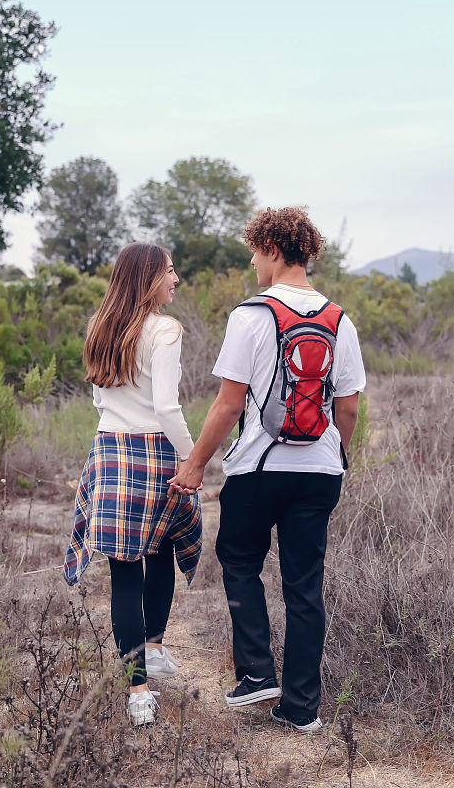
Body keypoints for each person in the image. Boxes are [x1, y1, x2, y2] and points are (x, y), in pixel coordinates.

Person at [169, 207, 366, 733]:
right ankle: (302, 709)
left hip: (258, 470)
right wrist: (335, 456)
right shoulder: (339, 319)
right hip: (320, 472)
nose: (254, 263)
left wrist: (194, 466)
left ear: (274, 250)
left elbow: (228, 405)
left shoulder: (251, 315)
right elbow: (347, 407)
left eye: (255, 253)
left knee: (238, 559)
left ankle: (257, 674)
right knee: (305, 586)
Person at [63, 242, 203, 727]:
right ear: (148, 278)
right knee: (161, 548)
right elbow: (167, 407)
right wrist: (192, 456)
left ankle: (138, 688)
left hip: (109, 451)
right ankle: (154, 652)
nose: (176, 278)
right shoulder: (165, 330)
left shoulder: (102, 326)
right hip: (155, 450)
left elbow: (101, 402)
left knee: (125, 571)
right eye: (169, 270)